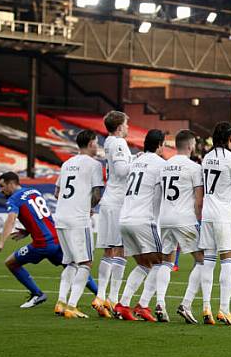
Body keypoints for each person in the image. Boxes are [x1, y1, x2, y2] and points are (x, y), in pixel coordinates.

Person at [0, 172, 96, 308]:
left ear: (11, 183)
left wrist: (1, 243)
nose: (1, 190)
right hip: (57, 239)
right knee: (77, 267)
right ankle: (100, 297)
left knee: (11, 263)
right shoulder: (34, 191)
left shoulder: (14, 199)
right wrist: (27, 231)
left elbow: (11, 219)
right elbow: (39, 217)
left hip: (42, 244)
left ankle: (37, 294)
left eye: (2, 186)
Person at [113, 129, 167, 322]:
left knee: (145, 264)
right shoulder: (161, 164)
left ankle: (123, 304)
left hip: (125, 219)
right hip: (145, 220)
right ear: (160, 144)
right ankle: (143, 305)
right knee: (164, 262)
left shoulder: (134, 162)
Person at [53, 130, 105, 319]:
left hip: (60, 217)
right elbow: (97, 194)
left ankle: (60, 302)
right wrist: (89, 207)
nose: (97, 146)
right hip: (78, 218)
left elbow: (57, 193)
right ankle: (72, 305)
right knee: (86, 262)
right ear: (91, 143)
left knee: (70, 262)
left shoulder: (67, 163)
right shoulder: (94, 165)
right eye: (96, 142)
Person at [199, 122, 231, 326]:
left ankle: (206, 307)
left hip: (207, 215)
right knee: (228, 262)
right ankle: (224, 310)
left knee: (208, 262)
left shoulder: (206, 158)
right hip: (225, 215)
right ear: (229, 139)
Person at [158, 129, 205, 324]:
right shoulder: (194, 168)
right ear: (191, 146)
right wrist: (199, 220)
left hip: (165, 217)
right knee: (203, 260)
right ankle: (186, 304)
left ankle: (160, 303)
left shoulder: (165, 166)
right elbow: (199, 201)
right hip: (184, 218)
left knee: (166, 262)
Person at [92, 110, 132, 318]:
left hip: (111, 199)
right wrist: (139, 163)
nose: (128, 127)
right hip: (118, 202)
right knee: (121, 249)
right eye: (126, 124)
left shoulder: (109, 142)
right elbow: (123, 171)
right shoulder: (118, 143)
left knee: (110, 250)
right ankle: (112, 298)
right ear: (119, 127)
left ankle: (102, 297)